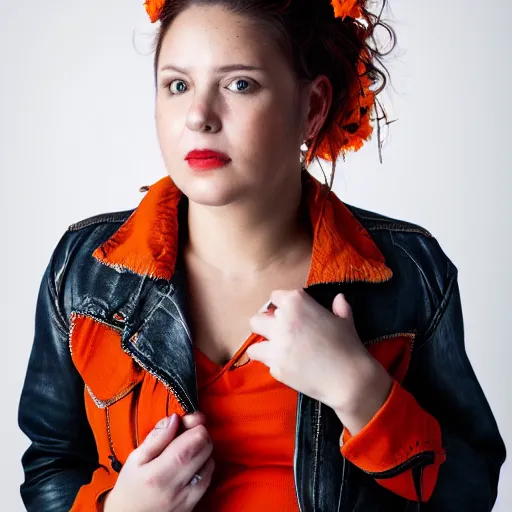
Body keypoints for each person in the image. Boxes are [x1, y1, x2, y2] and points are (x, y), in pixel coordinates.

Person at [18, 0, 506, 511]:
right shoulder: (87, 269)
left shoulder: (410, 272)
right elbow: (51, 462)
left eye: (239, 84)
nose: (199, 117)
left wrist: (360, 390)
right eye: (177, 85)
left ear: (313, 107)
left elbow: (468, 490)